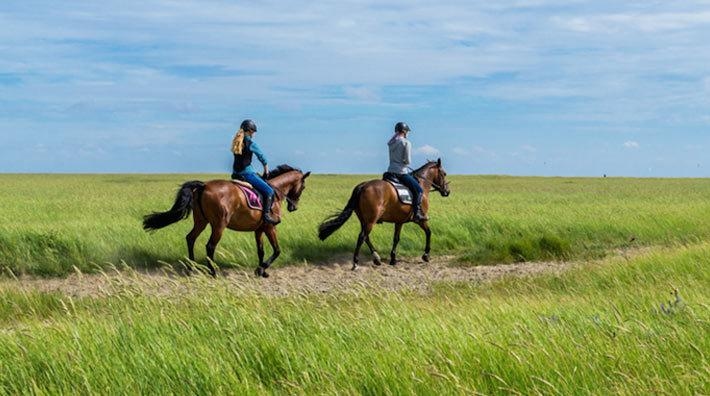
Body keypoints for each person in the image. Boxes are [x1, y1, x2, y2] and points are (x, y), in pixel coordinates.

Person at [231, 119, 279, 225]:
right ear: (250, 131)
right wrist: (266, 169)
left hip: (235, 174)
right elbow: (262, 157)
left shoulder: (236, 142)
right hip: (247, 174)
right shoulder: (251, 143)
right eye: (253, 132)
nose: (254, 134)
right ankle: (266, 216)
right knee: (269, 191)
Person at [386, 121, 427, 221]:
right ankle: (417, 213)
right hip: (401, 172)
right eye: (407, 131)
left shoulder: (391, 143)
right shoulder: (406, 143)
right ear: (404, 131)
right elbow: (407, 160)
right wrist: (405, 163)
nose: (407, 133)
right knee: (419, 190)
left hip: (390, 171)